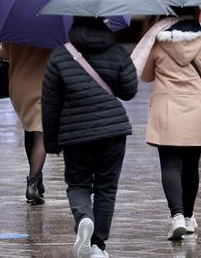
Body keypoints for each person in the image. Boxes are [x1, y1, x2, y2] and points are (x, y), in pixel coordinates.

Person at [41, 17, 138, 258]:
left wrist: (51, 142)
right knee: (106, 188)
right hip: (113, 130)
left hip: (75, 134)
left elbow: (50, 104)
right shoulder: (117, 52)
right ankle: (97, 246)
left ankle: (84, 218)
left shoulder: (60, 56)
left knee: (78, 183)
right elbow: (129, 90)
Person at [141, 16, 201, 241]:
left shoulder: (158, 41)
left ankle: (176, 216)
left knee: (170, 165)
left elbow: (146, 75)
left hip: (165, 109)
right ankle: (188, 217)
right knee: (191, 166)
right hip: (195, 108)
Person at [0, 42, 51, 205]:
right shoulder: (51, 28)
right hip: (43, 84)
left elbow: (3, 53)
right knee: (42, 132)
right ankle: (32, 183)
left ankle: (37, 177)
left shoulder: (15, 29)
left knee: (30, 129)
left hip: (18, 86)